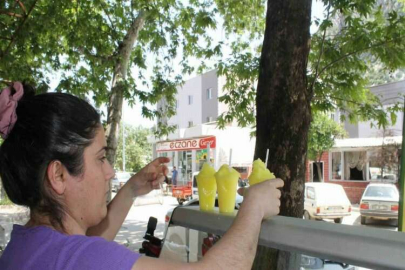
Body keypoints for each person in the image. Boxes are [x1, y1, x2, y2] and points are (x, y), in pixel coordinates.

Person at [0, 82, 283, 270]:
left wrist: (132, 189)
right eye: (100, 158)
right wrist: (254, 206)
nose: (110, 172)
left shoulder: (25, 247)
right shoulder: (79, 258)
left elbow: (90, 245)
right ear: (59, 175)